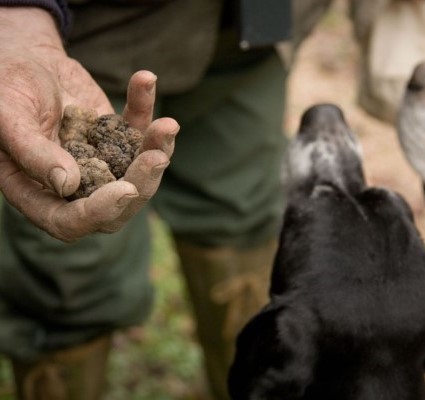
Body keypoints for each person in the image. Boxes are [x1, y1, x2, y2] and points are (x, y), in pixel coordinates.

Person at [0, 1, 333, 399]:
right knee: (64, 279)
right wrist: (17, 12)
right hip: (82, 39)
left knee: (240, 216)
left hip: (250, 29)